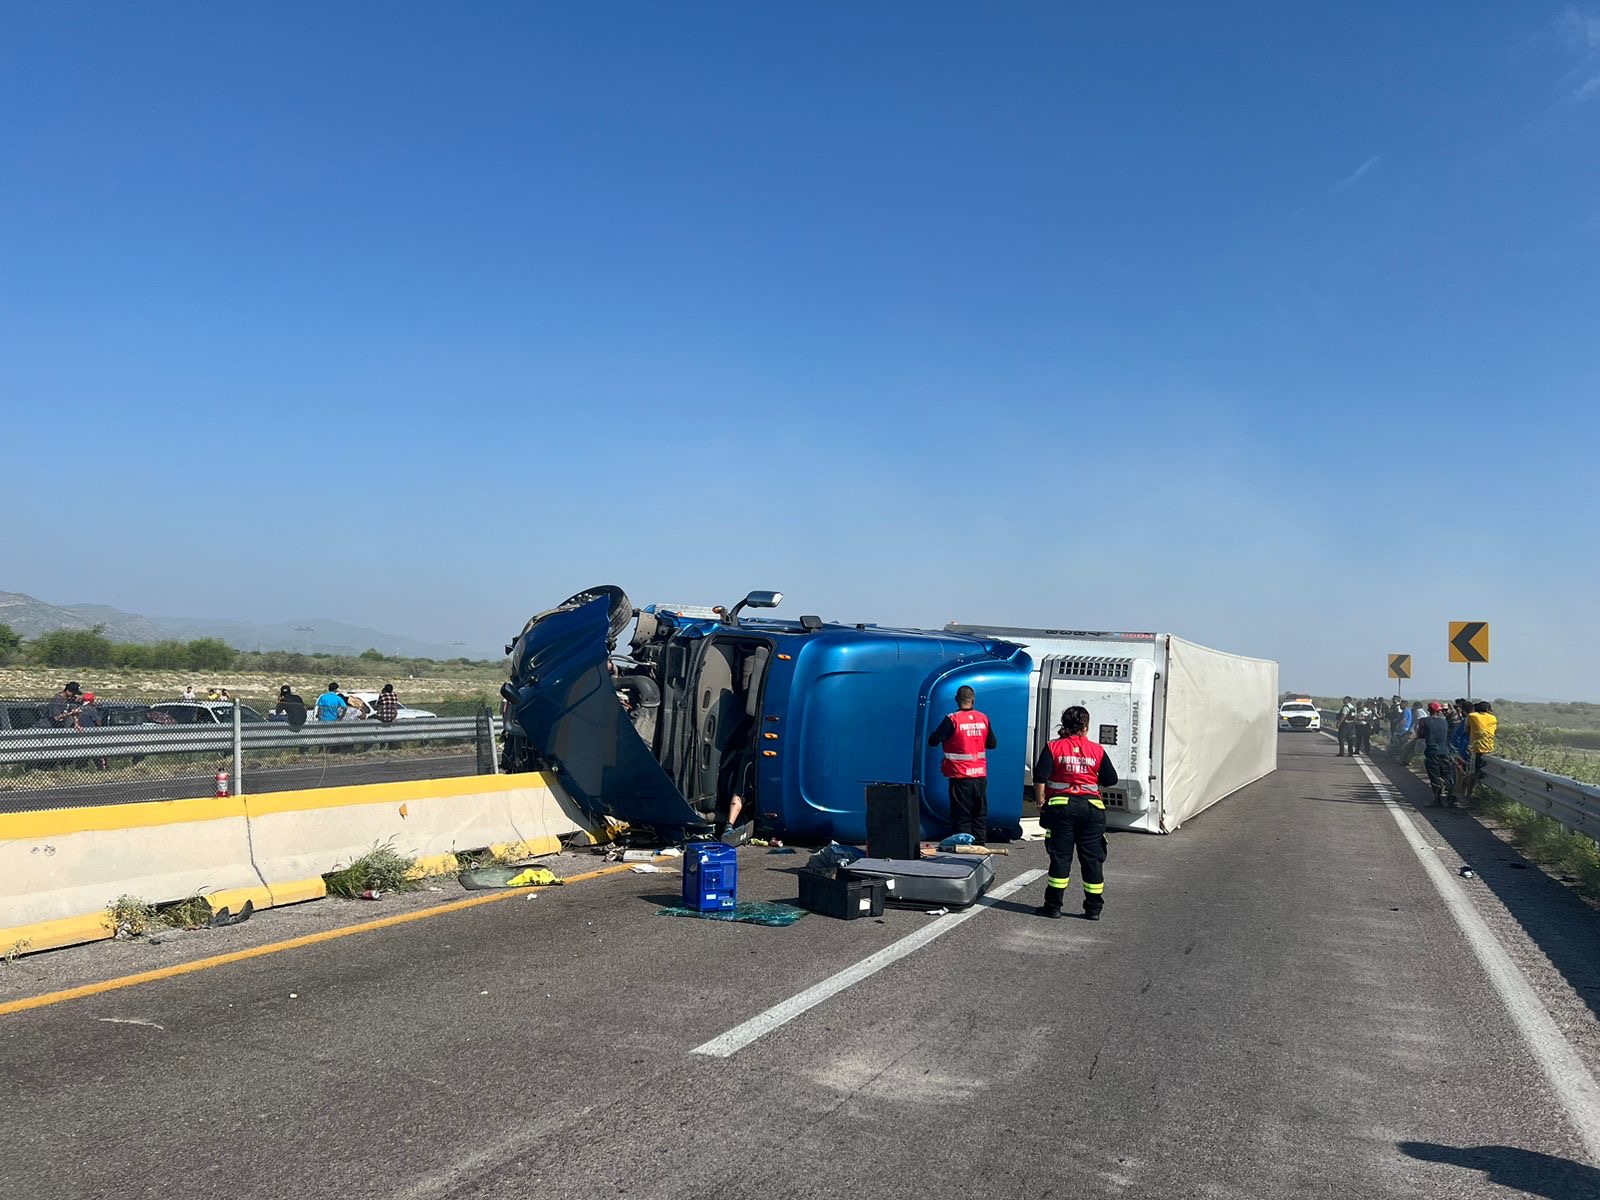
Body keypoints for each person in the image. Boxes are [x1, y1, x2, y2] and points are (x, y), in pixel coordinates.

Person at [1033, 705, 1118, 920]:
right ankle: (1093, 910)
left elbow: (1040, 776)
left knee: (1061, 858)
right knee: (1092, 860)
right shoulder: (1097, 750)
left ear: (1064, 724)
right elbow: (1111, 779)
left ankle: (1053, 906)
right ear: (1086, 727)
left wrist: (1041, 801)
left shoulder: (1053, 747)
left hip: (1062, 809)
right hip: (1092, 810)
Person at [927, 685, 997, 844]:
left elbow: (933, 741)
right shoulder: (983, 718)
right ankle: (980, 847)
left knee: (961, 816)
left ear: (956, 700)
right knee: (979, 814)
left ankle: (964, 849)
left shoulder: (952, 719)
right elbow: (992, 743)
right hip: (980, 776)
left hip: (960, 776)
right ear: (973, 699)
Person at [1414, 702, 1456, 806]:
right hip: (1445, 752)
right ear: (1439, 711)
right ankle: (1450, 798)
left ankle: (1438, 800)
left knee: (1435, 777)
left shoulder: (1424, 721)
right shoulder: (1445, 722)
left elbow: (1419, 735)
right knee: (1446, 775)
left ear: (1429, 710)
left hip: (1432, 752)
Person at [1464, 701, 1498, 797]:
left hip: (1476, 750)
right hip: (1490, 750)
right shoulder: (1493, 718)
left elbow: (1467, 731)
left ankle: (1468, 795)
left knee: (1473, 773)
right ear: (1487, 709)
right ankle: (1484, 795)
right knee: (1486, 774)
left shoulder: (1472, 716)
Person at [75, 691, 108, 769]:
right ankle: (102, 767)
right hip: (91, 733)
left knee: (82, 753)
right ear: (92, 700)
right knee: (97, 753)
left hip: (80, 734)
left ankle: (80, 767)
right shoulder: (91, 709)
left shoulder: (79, 708)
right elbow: (98, 722)